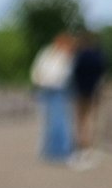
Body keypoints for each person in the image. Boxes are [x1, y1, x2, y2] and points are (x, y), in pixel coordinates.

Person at [30, 33, 75, 161]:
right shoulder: (47, 53)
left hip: (58, 89)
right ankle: (49, 150)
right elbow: (37, 70)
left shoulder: (66, 56)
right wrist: (39, 81)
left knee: (58, 121)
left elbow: (65, 75)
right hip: (46, 88)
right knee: (47, 121)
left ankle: (59, 151)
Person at [70, 31, 107, 163]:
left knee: (81, 120)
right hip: (94, 92)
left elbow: (73, 74)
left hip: (81, 92)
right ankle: (90, 147)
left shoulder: (79, 56)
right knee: (92, 120)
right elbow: (102, 73)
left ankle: (82, 147)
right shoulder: (99, 56)